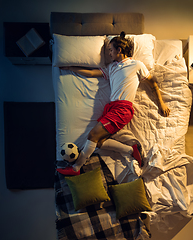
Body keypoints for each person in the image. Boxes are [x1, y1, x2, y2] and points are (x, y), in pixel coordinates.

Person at [58, 32, 170, 175]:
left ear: (119, 50)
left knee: (92, 136)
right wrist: (70, 68)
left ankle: (75, 168)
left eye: (111, 50)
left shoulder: (136, 65)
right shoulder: (111, 68)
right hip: (111, 108)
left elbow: (153, 82)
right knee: (97, 143)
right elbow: (91, 73)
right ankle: (131, 150)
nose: (109, 53)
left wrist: (161, 104)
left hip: (123, 109)